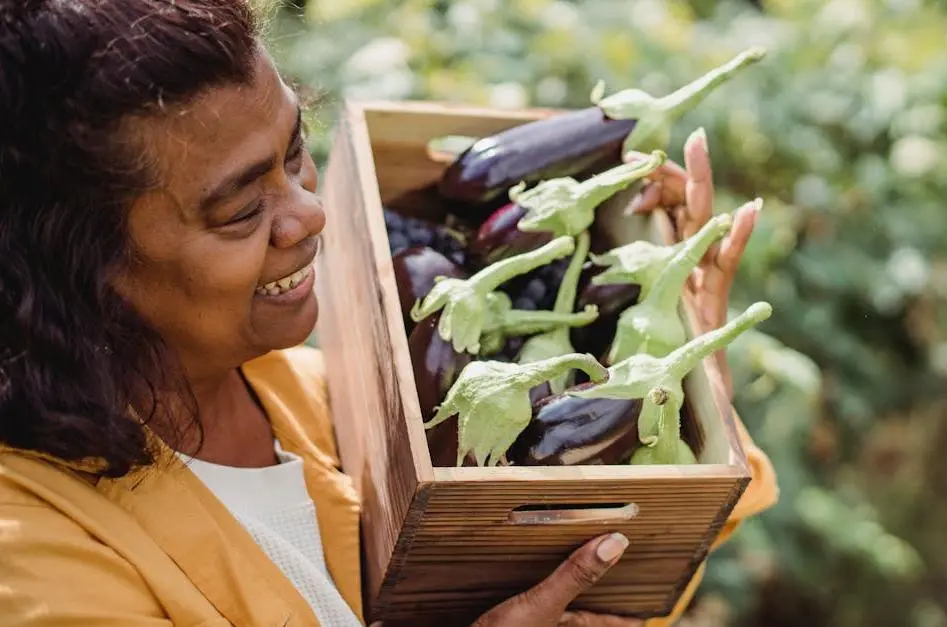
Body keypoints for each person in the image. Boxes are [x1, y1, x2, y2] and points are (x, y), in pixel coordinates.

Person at [0, 1, 777, 626]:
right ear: (81, 266)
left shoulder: (324, 394)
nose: (307, 210)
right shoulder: (33, 553)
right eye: (241, 210)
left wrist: (691, 380)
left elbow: (603, 581)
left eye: (296, 149)